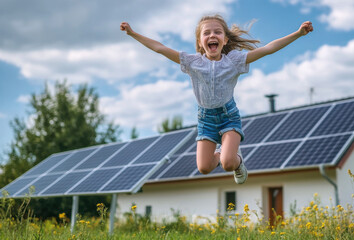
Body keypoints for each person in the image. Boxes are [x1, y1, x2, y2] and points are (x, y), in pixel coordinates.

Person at [120, 15, 313, 184]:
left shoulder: (234, 61)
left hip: (228, 117)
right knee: (204, 167)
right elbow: (159, 48)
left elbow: (268, 49)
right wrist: (132, 33)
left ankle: (236, 161)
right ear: (199, 41)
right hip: (205, 120)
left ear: (225, 39)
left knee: (228, 164)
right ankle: (224, 153)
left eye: (217, 32)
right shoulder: (192, 62)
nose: (212, 36)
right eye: (207, 33)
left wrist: (298, 33)